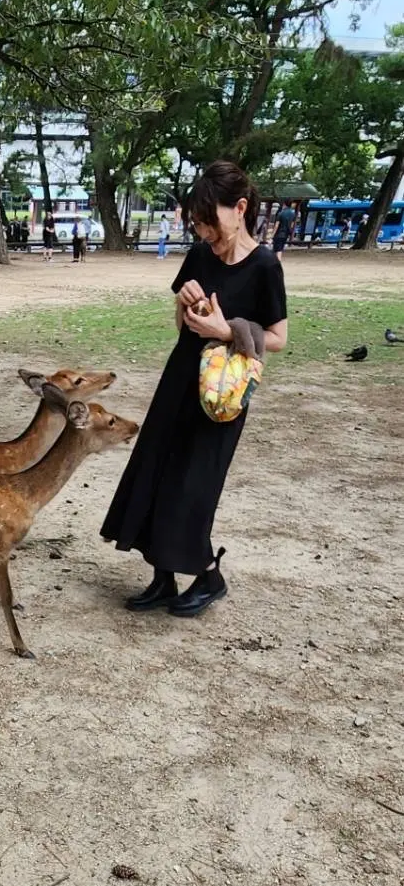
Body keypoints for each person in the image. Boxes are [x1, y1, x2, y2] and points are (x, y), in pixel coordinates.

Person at [100, 158, 288, 618]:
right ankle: (162, 577)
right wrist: (188, 306)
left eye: (211, 221)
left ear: (239, 208)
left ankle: (208, 575)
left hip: (222, 392)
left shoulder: (264, 265)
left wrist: (227, 330)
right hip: (180, 376)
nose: (204, 231)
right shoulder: (200, 256)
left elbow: (279, 339)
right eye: (198, 223)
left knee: (193, 484)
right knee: (157, 470)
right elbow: (183, 326)